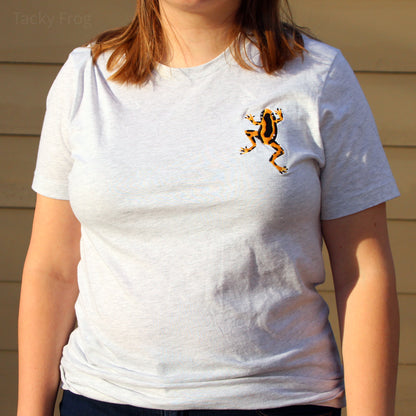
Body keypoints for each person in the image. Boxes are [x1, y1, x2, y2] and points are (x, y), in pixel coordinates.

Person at [17, 1, 400, 415]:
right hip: (103, 398)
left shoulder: (316, 75)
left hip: (277, 401)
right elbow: (52, 270)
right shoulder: (86, 78)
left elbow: (362, 271)